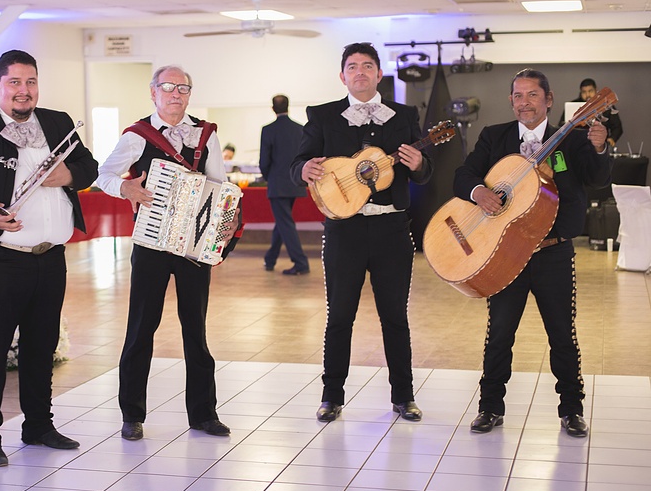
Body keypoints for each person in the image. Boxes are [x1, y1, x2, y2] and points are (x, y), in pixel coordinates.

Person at [0, 49, 98, 466]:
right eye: (14, 82)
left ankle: (38, 425)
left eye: (31, 82)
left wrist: (68, 175)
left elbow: (89, 166)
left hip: (50, 255)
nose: (23, 91)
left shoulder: (57, 122)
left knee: (41, 345)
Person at [455, 69, 611, 438]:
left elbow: (597, 179)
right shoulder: (494, 136)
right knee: (499, 334)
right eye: (518, 95)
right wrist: (479, 192)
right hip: (505, 255)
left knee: (562, 335)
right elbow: (464, 175)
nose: (524, 102)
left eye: (532, 95)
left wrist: (600, 147)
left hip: (552, 253)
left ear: (549, 100)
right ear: (511, 101)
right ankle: (490, 407)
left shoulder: (573, 139)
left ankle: (572, 410)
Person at [291, 42, 432, 423]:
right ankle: (331, 397)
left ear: (379, 74)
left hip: (392, 229)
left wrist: (419, 164)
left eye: (367, 66)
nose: (360, 72)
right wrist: (303, 170)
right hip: (344, 231)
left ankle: (404, 396)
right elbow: (298, 163)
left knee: (395, 317)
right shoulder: (322, 115)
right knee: (339, 316)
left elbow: (424, 172)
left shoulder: (404, 115)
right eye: (352, 66)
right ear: (343, 76)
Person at [97, 65, 237, 441]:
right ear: (153, 92)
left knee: (196, 329)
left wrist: (221, 229)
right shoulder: (137, 135)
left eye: (183, 88)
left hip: (193, 246)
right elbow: (103, 174)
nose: (176, 94)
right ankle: (132, 415)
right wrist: (125, 189)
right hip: (151, 244)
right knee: (141, 328)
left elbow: (220, 187)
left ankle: (204, 414)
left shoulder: (205, 134)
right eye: (168, 87)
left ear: (189, 94)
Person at [260, 94, 310, 275]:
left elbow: (264, 161)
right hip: (295, 182)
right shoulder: (300, 129)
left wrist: (269, 177)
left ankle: (301, 263)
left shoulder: (268, 130)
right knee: (283, 222)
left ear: (273, 108)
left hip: (277, 183)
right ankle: (270, 259)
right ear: (288, 106)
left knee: (285, 223)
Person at [559, 78, 623, 147]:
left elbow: (617, 127)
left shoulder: (605, 105)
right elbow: (561, 126)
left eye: (590, 91)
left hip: (599, 145)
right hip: (576, 145)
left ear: (596, 90)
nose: (587, 94)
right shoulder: (572, 106)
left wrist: (612, 139)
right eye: (584, 92)